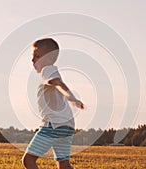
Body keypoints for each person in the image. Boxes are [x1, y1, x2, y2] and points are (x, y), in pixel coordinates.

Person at [22, 38, 84, 169]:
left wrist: (71, 97)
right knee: (64, 164)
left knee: (28, 160)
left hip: (53, 125)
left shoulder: (47, 70)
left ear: (49, 59)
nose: (33, 60)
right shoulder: (51, 71)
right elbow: (57, 83)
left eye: (37, 56)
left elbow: (58, 83)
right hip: (67, 125)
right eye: (32, 57)